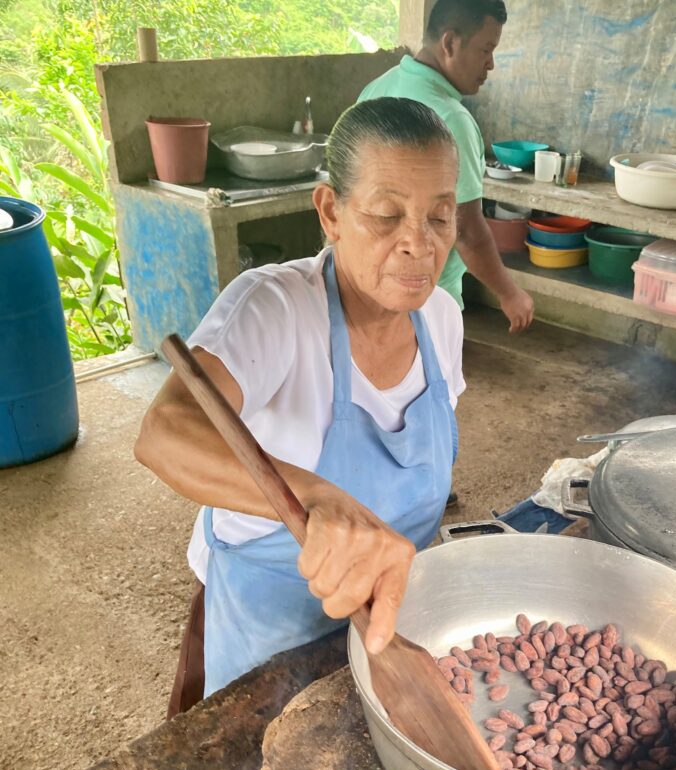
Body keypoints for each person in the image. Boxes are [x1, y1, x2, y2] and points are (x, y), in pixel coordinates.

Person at [134, 98, 467, 718]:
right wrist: (314, 496)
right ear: (330, 212)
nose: (417, 245)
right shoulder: (275, 309)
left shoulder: (442, 322)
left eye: (440, 218)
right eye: (387, 215)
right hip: (267, 649)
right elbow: (164, 433)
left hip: (384, 641)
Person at [359, 0, 533, 335]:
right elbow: (467, 230)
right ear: (450, 43)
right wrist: (509, 293)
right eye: (486, 49)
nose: (491, 64)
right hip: (425, 298)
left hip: (368, 289)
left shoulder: (378, 87)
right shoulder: (451, 118)